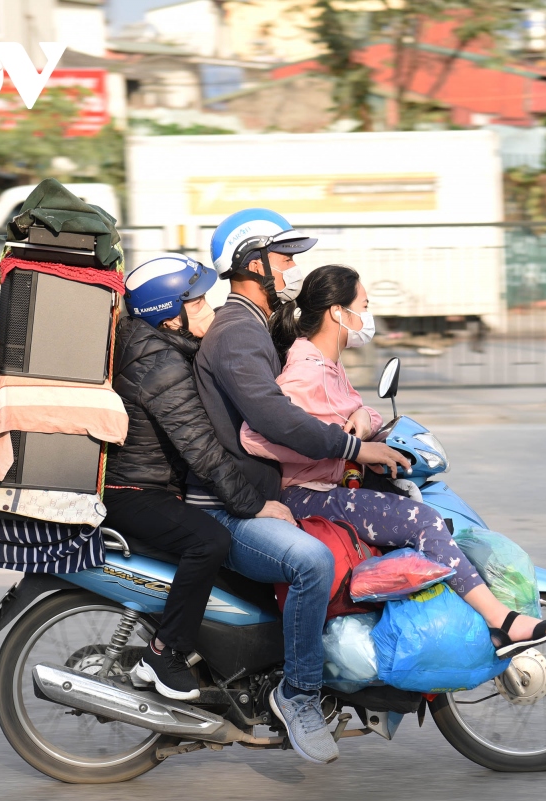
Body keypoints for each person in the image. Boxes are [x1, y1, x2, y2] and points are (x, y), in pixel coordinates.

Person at [236, 263, 546, 660]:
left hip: (336, 485)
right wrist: (342, 446)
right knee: (422, 520)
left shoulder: (330, 363)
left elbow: (360, 412)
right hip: (309, 496)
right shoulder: (307, 370)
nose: (368, 314)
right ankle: (501, 621)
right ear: (337, 313)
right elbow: (254, 436)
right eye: (364, 304)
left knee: (423, 506)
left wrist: (363, 419)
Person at [188, 208, 408, 766]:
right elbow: (276, 420)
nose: (290, 267)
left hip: (255, 496)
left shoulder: (253, 326)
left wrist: (359, 426)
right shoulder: (237, 332)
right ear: (251, 262)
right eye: (282, 256)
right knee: (312, 563)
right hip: (229, 506)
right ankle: (300, 693)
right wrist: (353, 447)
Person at [104, 254, 300, 702]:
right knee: (208, 541)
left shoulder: (158, 346)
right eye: (195, 302)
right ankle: (162, 652)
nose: (209, 308)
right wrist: (252, 504)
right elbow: (201, 449)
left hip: (145, 483)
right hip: (132, 490)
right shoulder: (160, 366)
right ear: (167, 314)